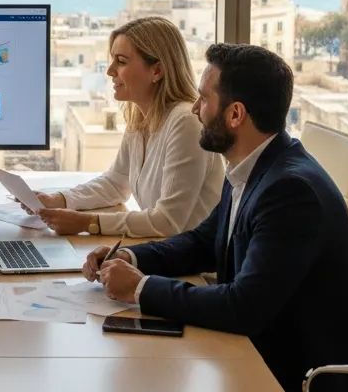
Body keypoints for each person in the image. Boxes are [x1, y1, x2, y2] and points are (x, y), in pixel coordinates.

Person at [87, 43, 348, 392]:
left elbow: (244, 308)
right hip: (265, 356)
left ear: (235, 115)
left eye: (204, 98)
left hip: (310, 389)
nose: (194, 108)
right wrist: (134, 260)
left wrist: (140, 289)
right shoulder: (255, 165)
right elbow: (201, 242)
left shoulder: (290, 191)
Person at [32, 17, 223, 237]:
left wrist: (87, 223)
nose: (110, 71)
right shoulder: (140, 119)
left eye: (121, 61)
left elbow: (167, 222)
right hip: (165, 254)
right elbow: (115, 183)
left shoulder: (186, 122)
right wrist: (58, 199)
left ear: (157, 71)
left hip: (193, 268)